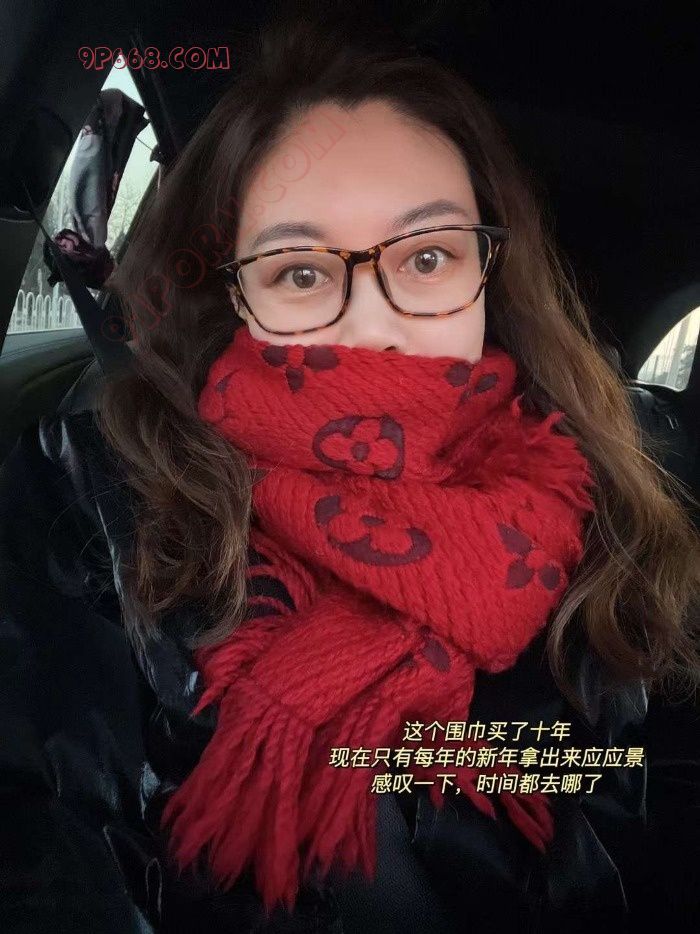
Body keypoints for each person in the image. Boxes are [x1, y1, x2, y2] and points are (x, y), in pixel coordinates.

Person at [1, 9, 699, 934]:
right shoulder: (93, 503)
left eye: (427, 257)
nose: (372, 325)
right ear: (235, 295)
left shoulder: (620, 525)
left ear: (490, 279)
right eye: (300, 272)